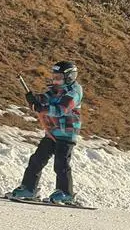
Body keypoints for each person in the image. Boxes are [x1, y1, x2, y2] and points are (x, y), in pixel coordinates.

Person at [8, 60, 83, 204]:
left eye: (59, 77)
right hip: (52, 132)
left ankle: (66, 193)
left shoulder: (74, 91)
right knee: (37, 159)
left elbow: (62, 109)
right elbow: (46, 98)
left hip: (66, 133)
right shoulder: (56, 89)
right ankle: (29, 189)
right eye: (54, 77)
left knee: (61, 164)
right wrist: (34, 99)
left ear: (70, 77)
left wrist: (42, 108)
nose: (55, 80)